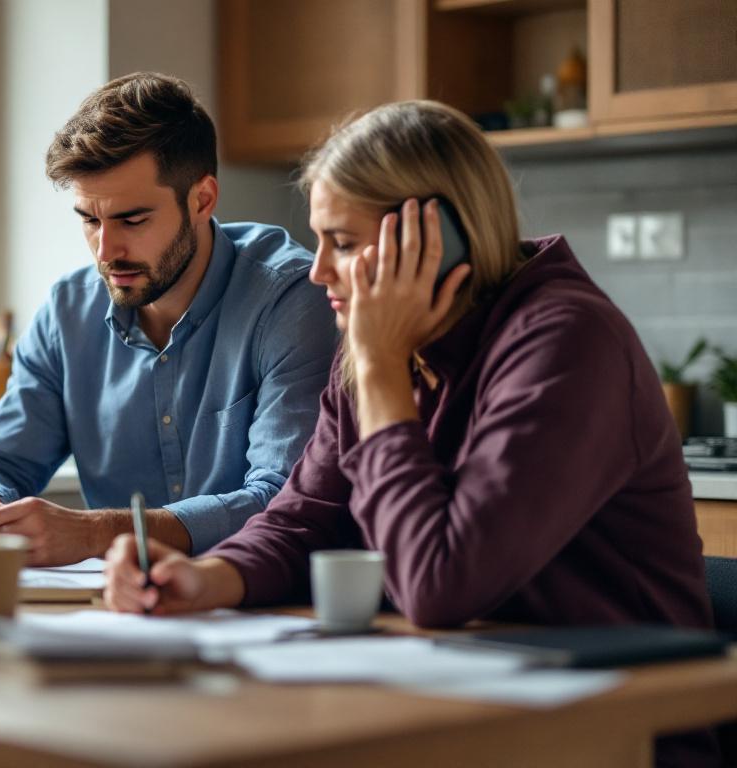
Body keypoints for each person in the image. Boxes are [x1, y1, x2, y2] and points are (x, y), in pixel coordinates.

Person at [102, 99, 716, 765]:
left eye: (343, 244)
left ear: (436, 241)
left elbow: (438, 585)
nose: (319, 271)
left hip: (616, 733)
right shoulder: (382, 347)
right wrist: (208, 577)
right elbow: (307, 517)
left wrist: (379, 370)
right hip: (469, 711)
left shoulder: (566, 342)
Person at [0, 72, 336, 566]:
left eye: (132, 220)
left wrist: (98, 532)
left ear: (202, 199)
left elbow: (284, 500)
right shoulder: (67, 313)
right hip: (118, 602)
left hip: (260, 597)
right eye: (90, 220)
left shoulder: (292, 299)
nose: (106, 251)